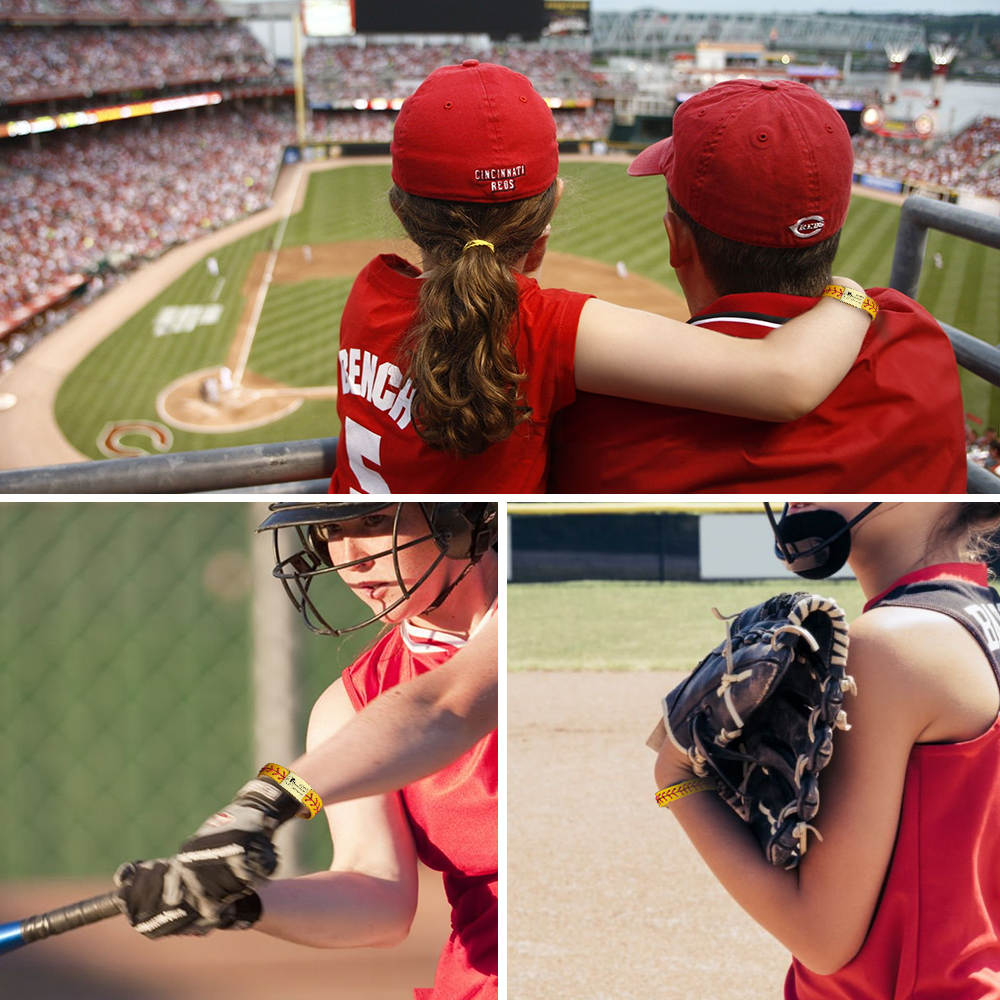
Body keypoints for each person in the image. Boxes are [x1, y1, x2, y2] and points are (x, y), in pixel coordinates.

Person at [330, 61, 874, 493]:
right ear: (551, 208)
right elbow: (785, 381)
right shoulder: (546, 326)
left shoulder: (369, 293)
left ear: (402, 212)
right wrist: (850, 294)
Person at [115, 501, 499, 1000]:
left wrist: (262, 804)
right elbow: (379, 899)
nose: (351, 557)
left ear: (459, 521)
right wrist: (238, 900)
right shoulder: (354, 702)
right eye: (332, 531)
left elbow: (447, 706)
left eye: (374, 521)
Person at [550, 80, 968, 493]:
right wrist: (848, 293)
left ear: (676, 241)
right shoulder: (919, 338)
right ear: (836, 227)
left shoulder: (600, 422)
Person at [653, 501, 1000, 998]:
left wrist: (676, 779)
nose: (797, 494)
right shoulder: (982, 617)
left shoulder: (890, 644)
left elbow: (820, 936)